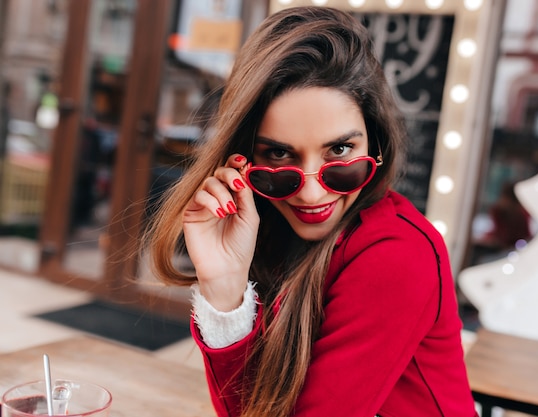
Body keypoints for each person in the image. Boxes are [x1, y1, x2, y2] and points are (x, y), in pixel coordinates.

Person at [144, 6, 477, 417]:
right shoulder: (268, 231)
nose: (312, 192)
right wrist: (225, 289)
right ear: (245, 158)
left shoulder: (398, 254)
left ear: (374, 142)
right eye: (280, 154)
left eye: (339, 151)